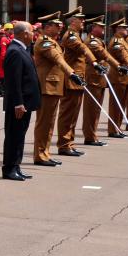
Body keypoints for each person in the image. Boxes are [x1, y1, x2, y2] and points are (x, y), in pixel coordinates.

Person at [32, 12, 83, 167]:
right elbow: (57, 59)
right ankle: (40, 155)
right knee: (44, 123)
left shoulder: (53, 41)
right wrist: (71, 73)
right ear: (47, 27)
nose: (60, 27)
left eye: (60, 25)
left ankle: (45, 154)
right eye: (56, 25)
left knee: (49, 123)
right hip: (47, 87)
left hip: (53, 87)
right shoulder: (45, 42)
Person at [56, 7, 103, 157]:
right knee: (67, 114)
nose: (83, 21)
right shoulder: (70, 35)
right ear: (73, 21)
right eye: (80, 19)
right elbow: (83, 49)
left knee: (73, 115)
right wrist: (94, 62)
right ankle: (64, 145)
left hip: (78, 80)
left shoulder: (76, 35)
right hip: (71, 80)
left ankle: (69, 143)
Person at [1, 22, 40, 181]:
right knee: (14, 136)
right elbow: (13, 81)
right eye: (31, 32)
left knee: (20, 135)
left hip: (25, 102)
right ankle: (9, 168)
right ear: (24, 33)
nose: (33, 35)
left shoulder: (22, 49)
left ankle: (16, 166)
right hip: (19, 104)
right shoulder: (15, 51)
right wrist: (18, 102)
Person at [81, 16, 123, 146]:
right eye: (100, 26)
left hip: (98, 79)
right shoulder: (92, 42)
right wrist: (118, 66)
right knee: (91, 109)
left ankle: (92, 136)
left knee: (96, 109)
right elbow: (104, 54)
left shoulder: (98, 40)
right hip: (93, 79)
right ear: (93, 28)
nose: (103, 28)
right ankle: (89, 136)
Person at [106, 18, 128, 139]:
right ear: (117, 29)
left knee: (121, 105)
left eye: (126, 27)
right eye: (123, 28)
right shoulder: (116, 42)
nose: (126, 29)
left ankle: (117, 128)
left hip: (124, 77)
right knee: (116, 105)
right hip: (117, 78)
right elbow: (125, 57)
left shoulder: (122, 41)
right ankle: (113, 129)